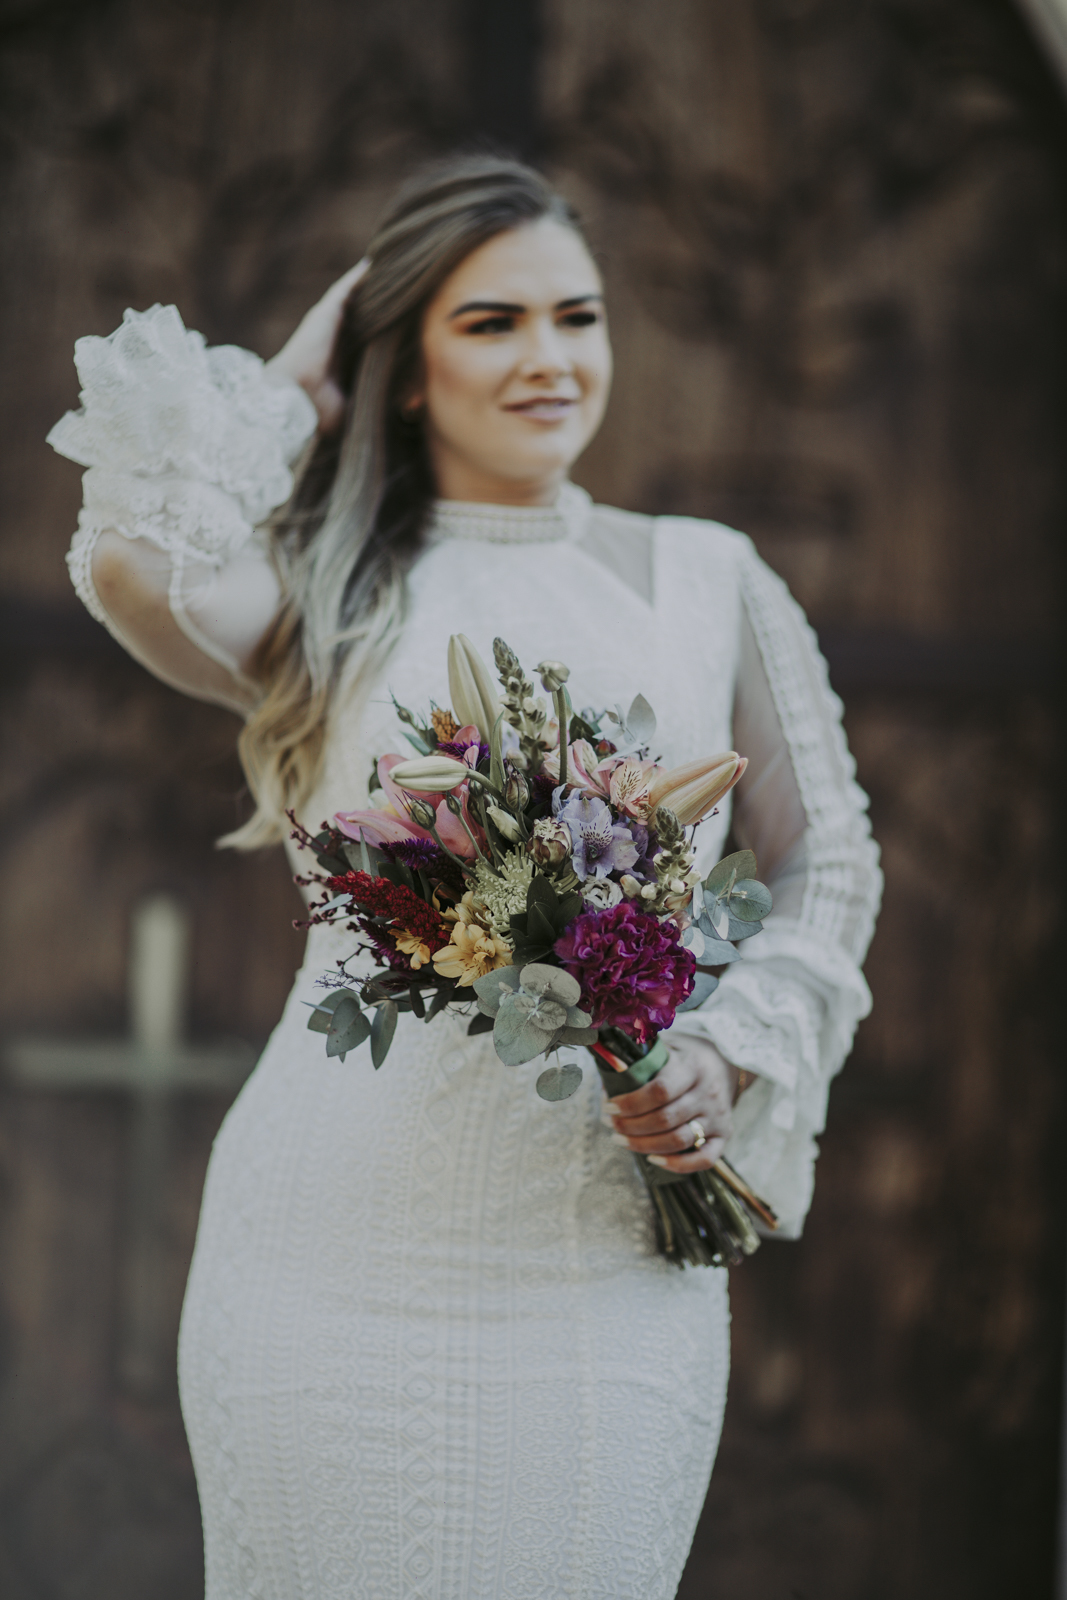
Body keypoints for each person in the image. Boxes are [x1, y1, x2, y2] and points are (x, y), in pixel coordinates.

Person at [49, 153, 881, 1600]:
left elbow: (828, 856)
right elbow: (131, 562)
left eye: (579, 315)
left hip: (593, 1272)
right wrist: (300, 395)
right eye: (490, 323)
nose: (551, 357)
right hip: (322, 1260)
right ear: (410, 368)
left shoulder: (707, 577)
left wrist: (732, 1048)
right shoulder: (328, 586)